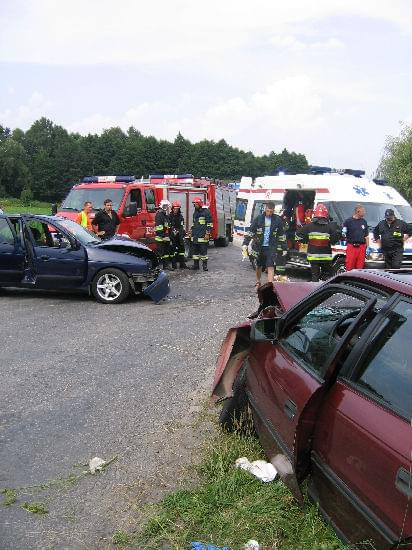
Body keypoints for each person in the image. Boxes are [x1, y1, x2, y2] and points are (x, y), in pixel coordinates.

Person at [242, 201, 284, 288]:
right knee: (259, 265)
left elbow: (281, 235)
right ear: (265, 209)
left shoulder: (277, 220)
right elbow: (251, 231)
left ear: (274, 211)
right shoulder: (259, 219)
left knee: (270, 266)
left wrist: (284, 248)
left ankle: (269, 286)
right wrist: (245, 243)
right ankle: (258, 281)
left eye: (271, 211)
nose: (269, 213)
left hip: (271, 247)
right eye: (268, 211)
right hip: (259, 247)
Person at [296, 203, 341, 282]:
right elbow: (334, 241)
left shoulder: (309, 226)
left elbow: (297, 236)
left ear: (315, 214)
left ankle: (315, 291)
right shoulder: (330, 227)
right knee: (327, 277)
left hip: (313, 256)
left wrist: (307, 240)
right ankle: (325, 291)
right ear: (326, 215)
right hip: (326, 257)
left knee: (315, 276)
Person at [342, 205, 369, 271]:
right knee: (349, 266)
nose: (364, 213)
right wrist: (343, 233)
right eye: (363, 211)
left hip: (362, 247)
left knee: (360, 267)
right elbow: (343, 235)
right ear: (358, 211)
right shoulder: (348, 221)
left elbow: (366, 236)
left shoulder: (364, 222)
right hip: (352, 247)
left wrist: (367, 247)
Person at [191, 197, 213, 271]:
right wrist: (191, 232)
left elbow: (209, 223)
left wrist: (207, 233)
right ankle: (196, 265)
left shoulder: (206, 212)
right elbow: (194, 224)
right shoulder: (195, 212)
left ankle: (204, 266)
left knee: (203, 253)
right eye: (194, 204)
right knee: (195, 253)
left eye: (196, 204)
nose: (195, 205)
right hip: (196, 236)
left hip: (203, 236)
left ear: (200, 204)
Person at [169, 200, 188, 269]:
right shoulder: (169, 216)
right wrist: (172, 231)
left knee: (181, 251)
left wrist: (183, 233)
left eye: (177, 209)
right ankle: (174, 265)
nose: (176, 210)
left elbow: (181, 226)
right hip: (173, 237)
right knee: (173, 252)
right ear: (172, 209)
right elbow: (168, 226)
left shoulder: (180, 217)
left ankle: (182, 264)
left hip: (180, 236)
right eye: (174, 209)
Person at [155, 200, 172, 269]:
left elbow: (167, 225)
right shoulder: (159, 215)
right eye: (166, 206)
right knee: (160, 254)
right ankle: (157, 267)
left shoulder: (165, 215)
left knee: (166, 253)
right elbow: (159, 228)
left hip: (166, 237)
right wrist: (163, 236)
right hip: (160, 238)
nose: (167, 208)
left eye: (167, 207)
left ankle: (166, 265)